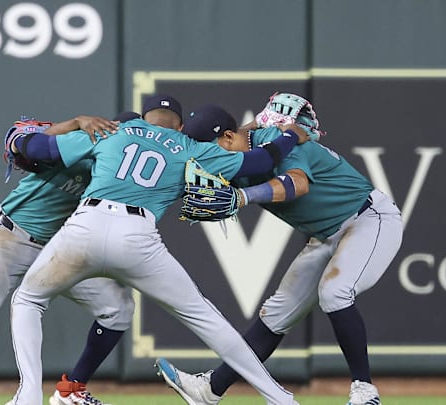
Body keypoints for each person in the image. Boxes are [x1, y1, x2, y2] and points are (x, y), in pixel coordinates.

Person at [3, 94, 310, 405]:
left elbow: (38, 149)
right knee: (204, 317)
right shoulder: (191, 147)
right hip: (137, 237)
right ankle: (280, 399)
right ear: (180, 125)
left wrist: (24, 138)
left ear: (144, 116)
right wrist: (289, 135)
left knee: (29, 299)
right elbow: (263, 160)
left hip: (85, 226)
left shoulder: (114, 129)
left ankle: (28, 395)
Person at [155, 99, 404, 405]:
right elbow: (237, 144)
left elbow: (297, 185)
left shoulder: (276, 140)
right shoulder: (238, 148)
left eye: (212, 148)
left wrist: (244, 196)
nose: (208, 160)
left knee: (335, 291)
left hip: (368, 219)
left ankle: (364, 389)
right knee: (275, 315)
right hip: (324, 235)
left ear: (229, 138)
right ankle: (210, 390)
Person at [0, 113, 141, 405]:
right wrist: (76, 123)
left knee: (118, 306)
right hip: (11, 233)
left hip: (59, 249)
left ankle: (73, 390)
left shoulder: (124, 176)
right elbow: (19, 140)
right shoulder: (79, 142)